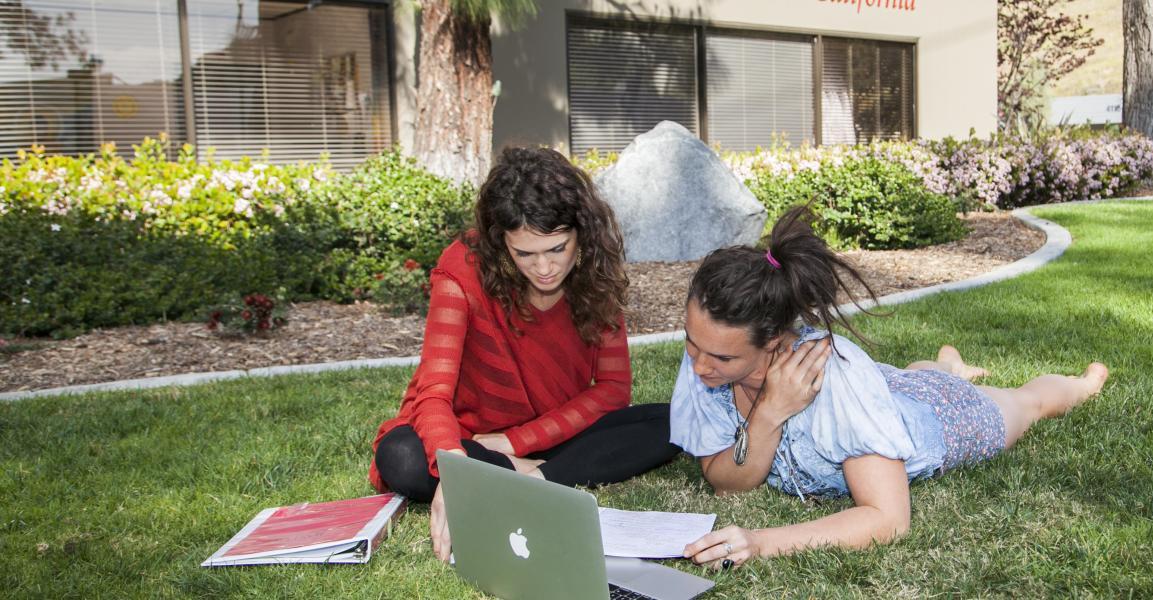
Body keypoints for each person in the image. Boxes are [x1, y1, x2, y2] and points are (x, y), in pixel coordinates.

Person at [669, 207, 1109, 569]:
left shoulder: (838, 379)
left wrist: (761, 542)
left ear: (773, 341)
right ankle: (945, 365)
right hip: (888, 389)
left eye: (722, 358)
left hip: (939, 417)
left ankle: (1081, 384)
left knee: (1027, 403)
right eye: (691, 342)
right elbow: (726, 481)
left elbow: (888, 520)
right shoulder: (707, 356)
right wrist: (768, 413)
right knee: (912, 377)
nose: (699, 365)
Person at [368, 147, 678, 562]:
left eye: (557, 249)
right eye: (525, 254)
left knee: (675, 422)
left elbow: (612, 390)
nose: (544, 268)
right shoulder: (462, 268)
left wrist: (515, 442)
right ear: (501, 243)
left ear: (582, 234)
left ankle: (535, 477)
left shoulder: (595, 272)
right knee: (402, 456)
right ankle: (523, 473)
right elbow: (433, 392)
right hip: (471, 441)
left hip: (553, 436)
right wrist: (457, 469)